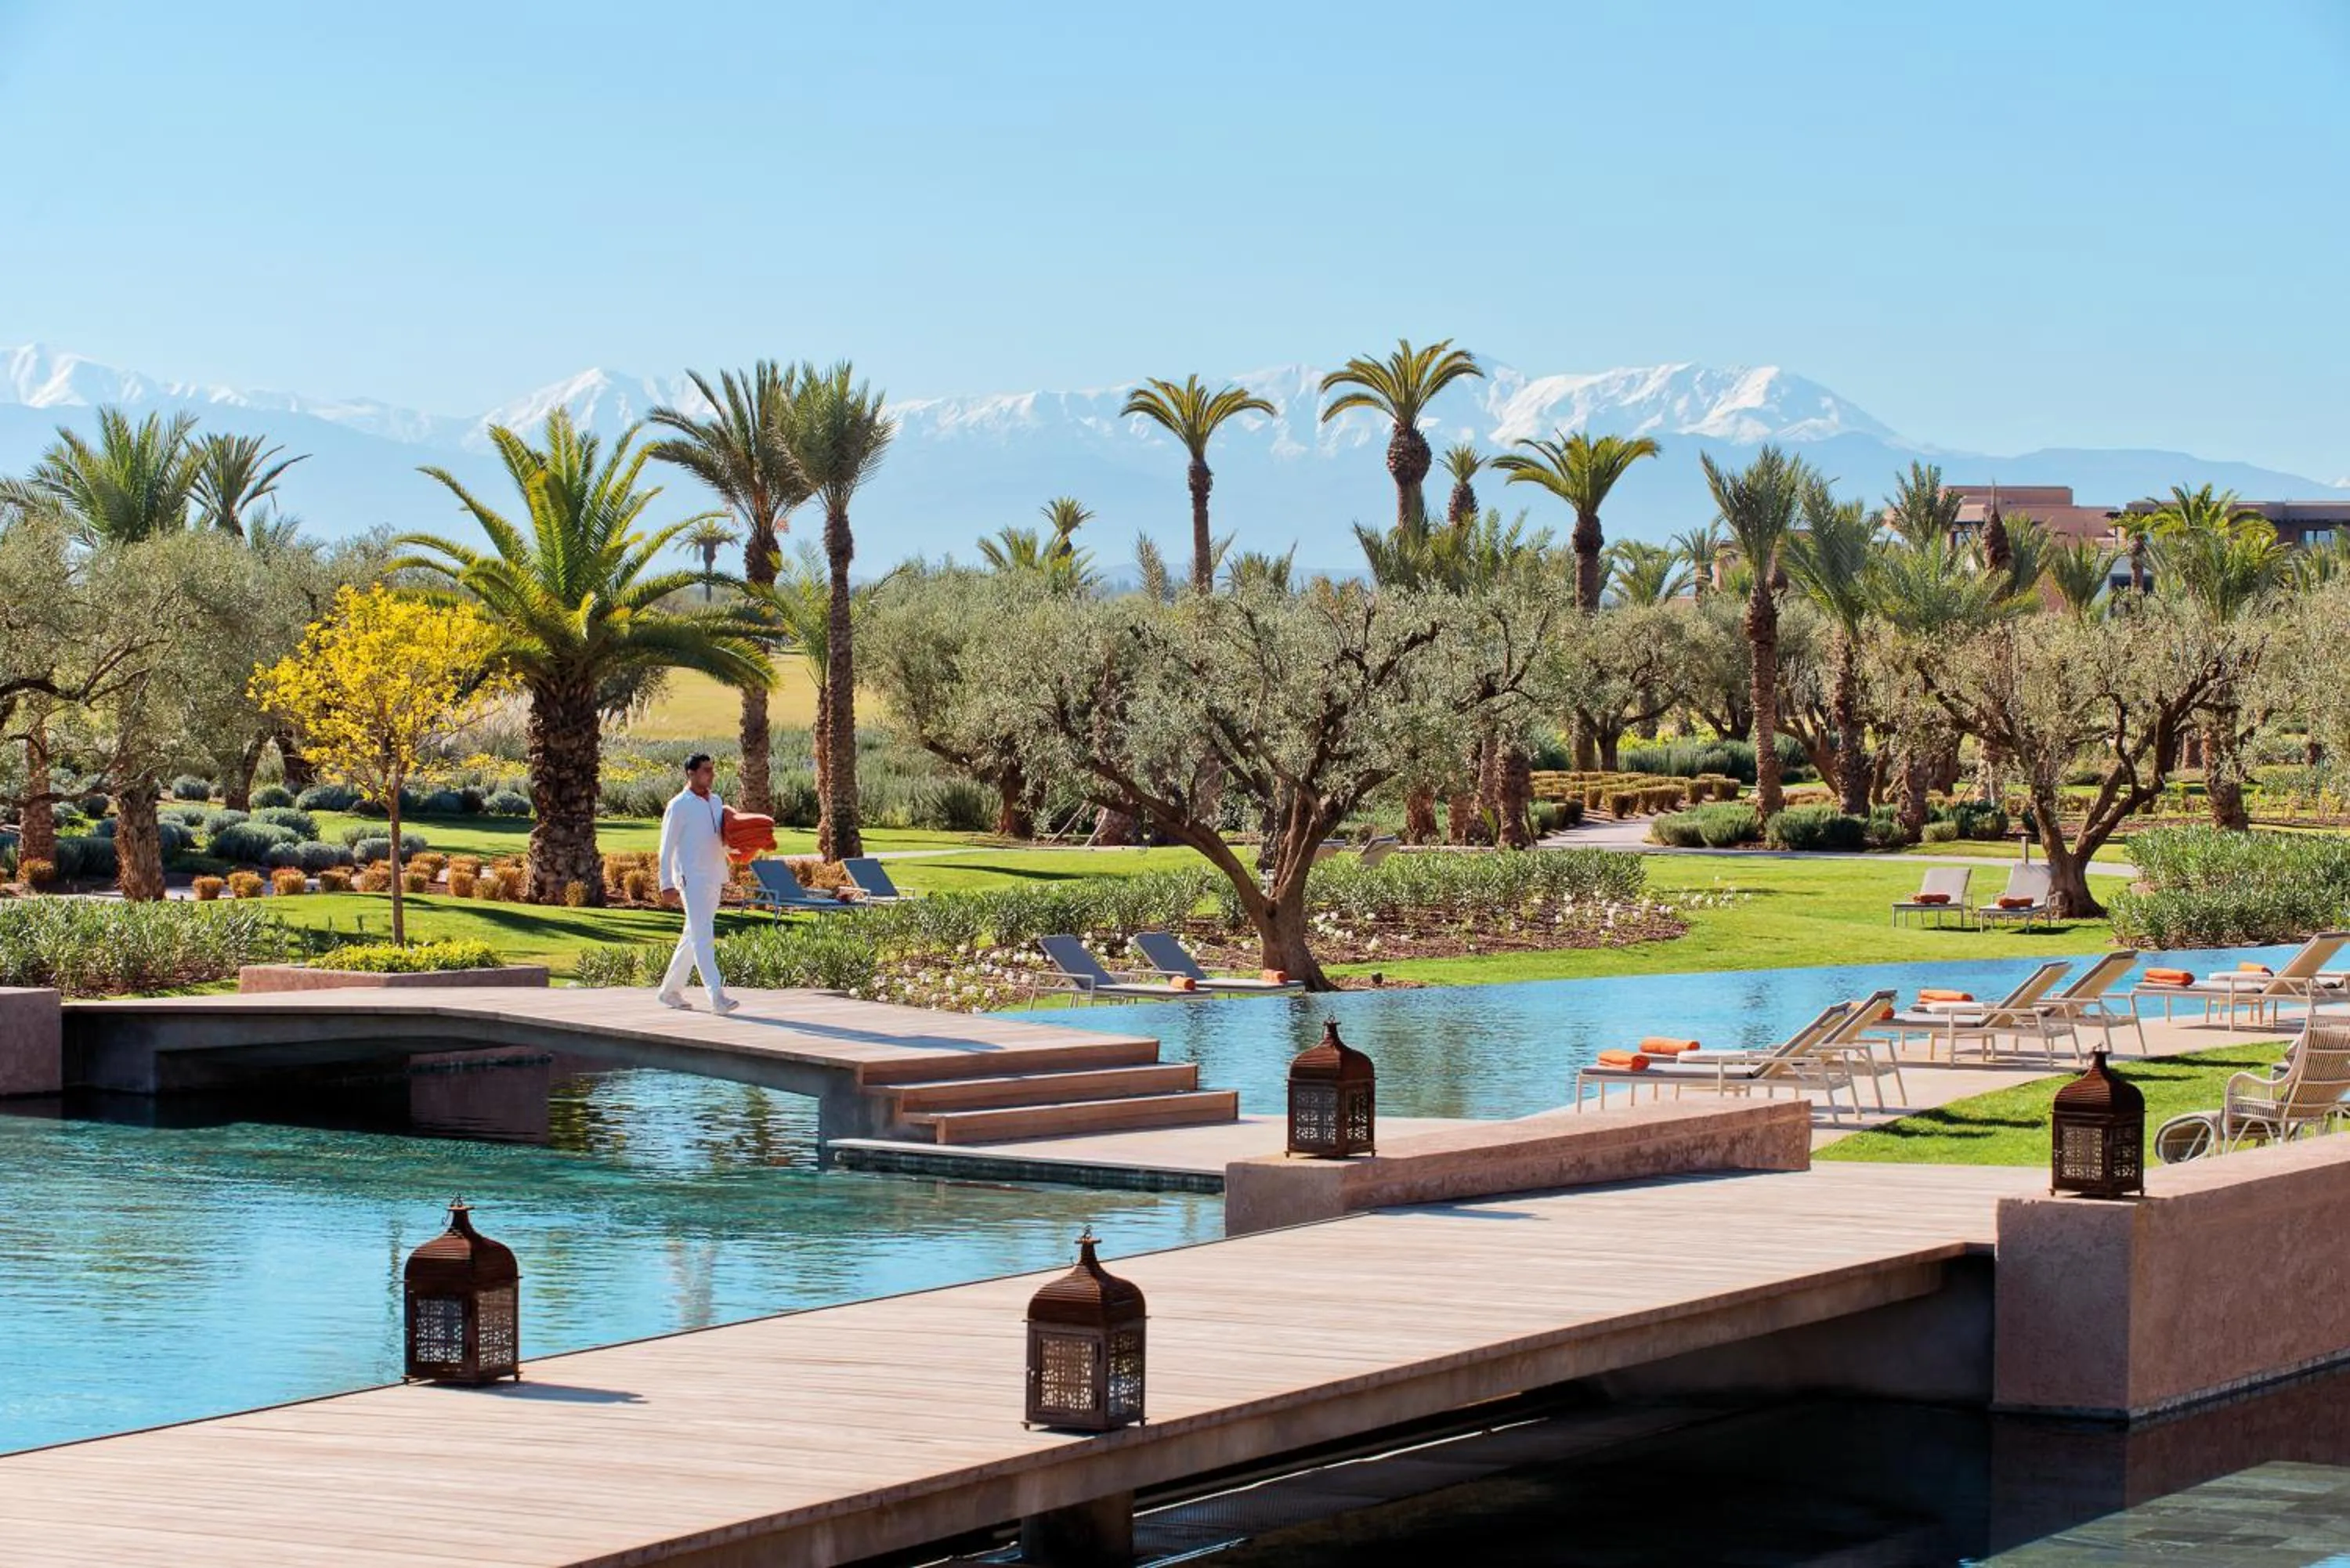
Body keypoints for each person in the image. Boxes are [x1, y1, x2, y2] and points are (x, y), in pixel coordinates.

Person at [656, 753, 737, 1014]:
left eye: (712, 770)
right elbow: (665, 848)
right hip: (690, 879)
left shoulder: (716, 802)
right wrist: (665, 883)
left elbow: (720, 839)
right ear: (690, 773)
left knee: (693, 934)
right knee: (703, 935)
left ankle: (670, 991)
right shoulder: (678, 805)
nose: (711, 775)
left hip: (714, 876)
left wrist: (738, 849)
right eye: (705, 770)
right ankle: (717, 997)